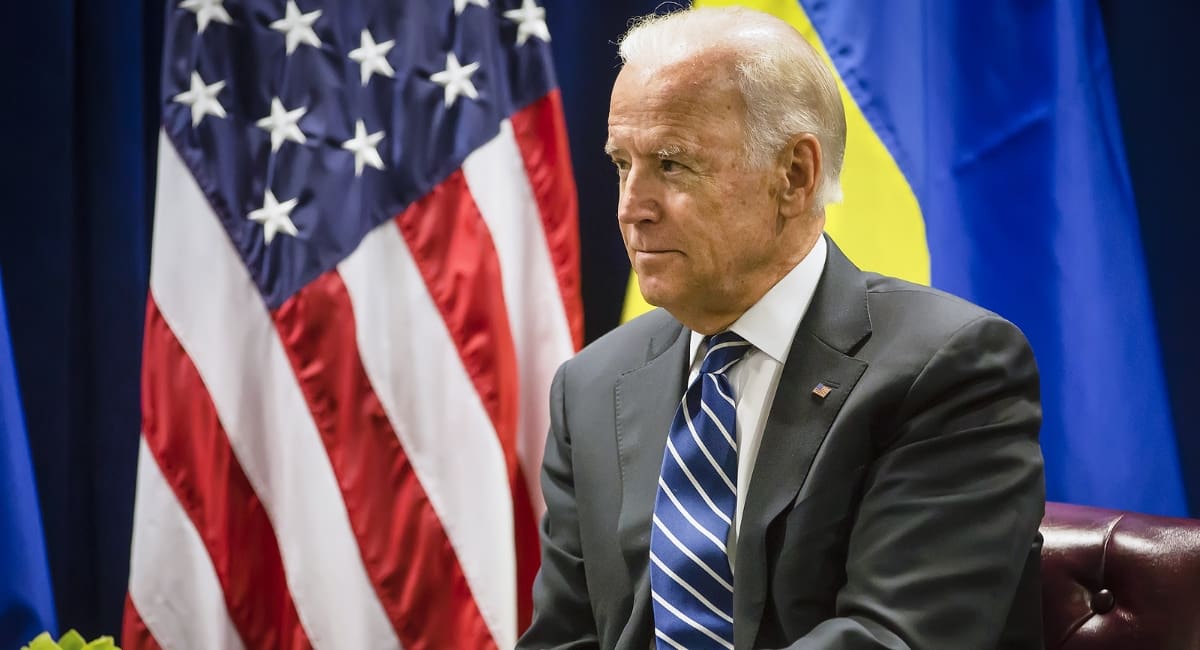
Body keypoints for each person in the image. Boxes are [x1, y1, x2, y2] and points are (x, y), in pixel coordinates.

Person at [518, 6, 1045, 649]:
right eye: (622, 165)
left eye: (673, 164)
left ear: (794, 176)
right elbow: (564, 638)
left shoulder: (950, 367)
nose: (633, 208)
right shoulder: (592, 385)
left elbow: (891, 637)